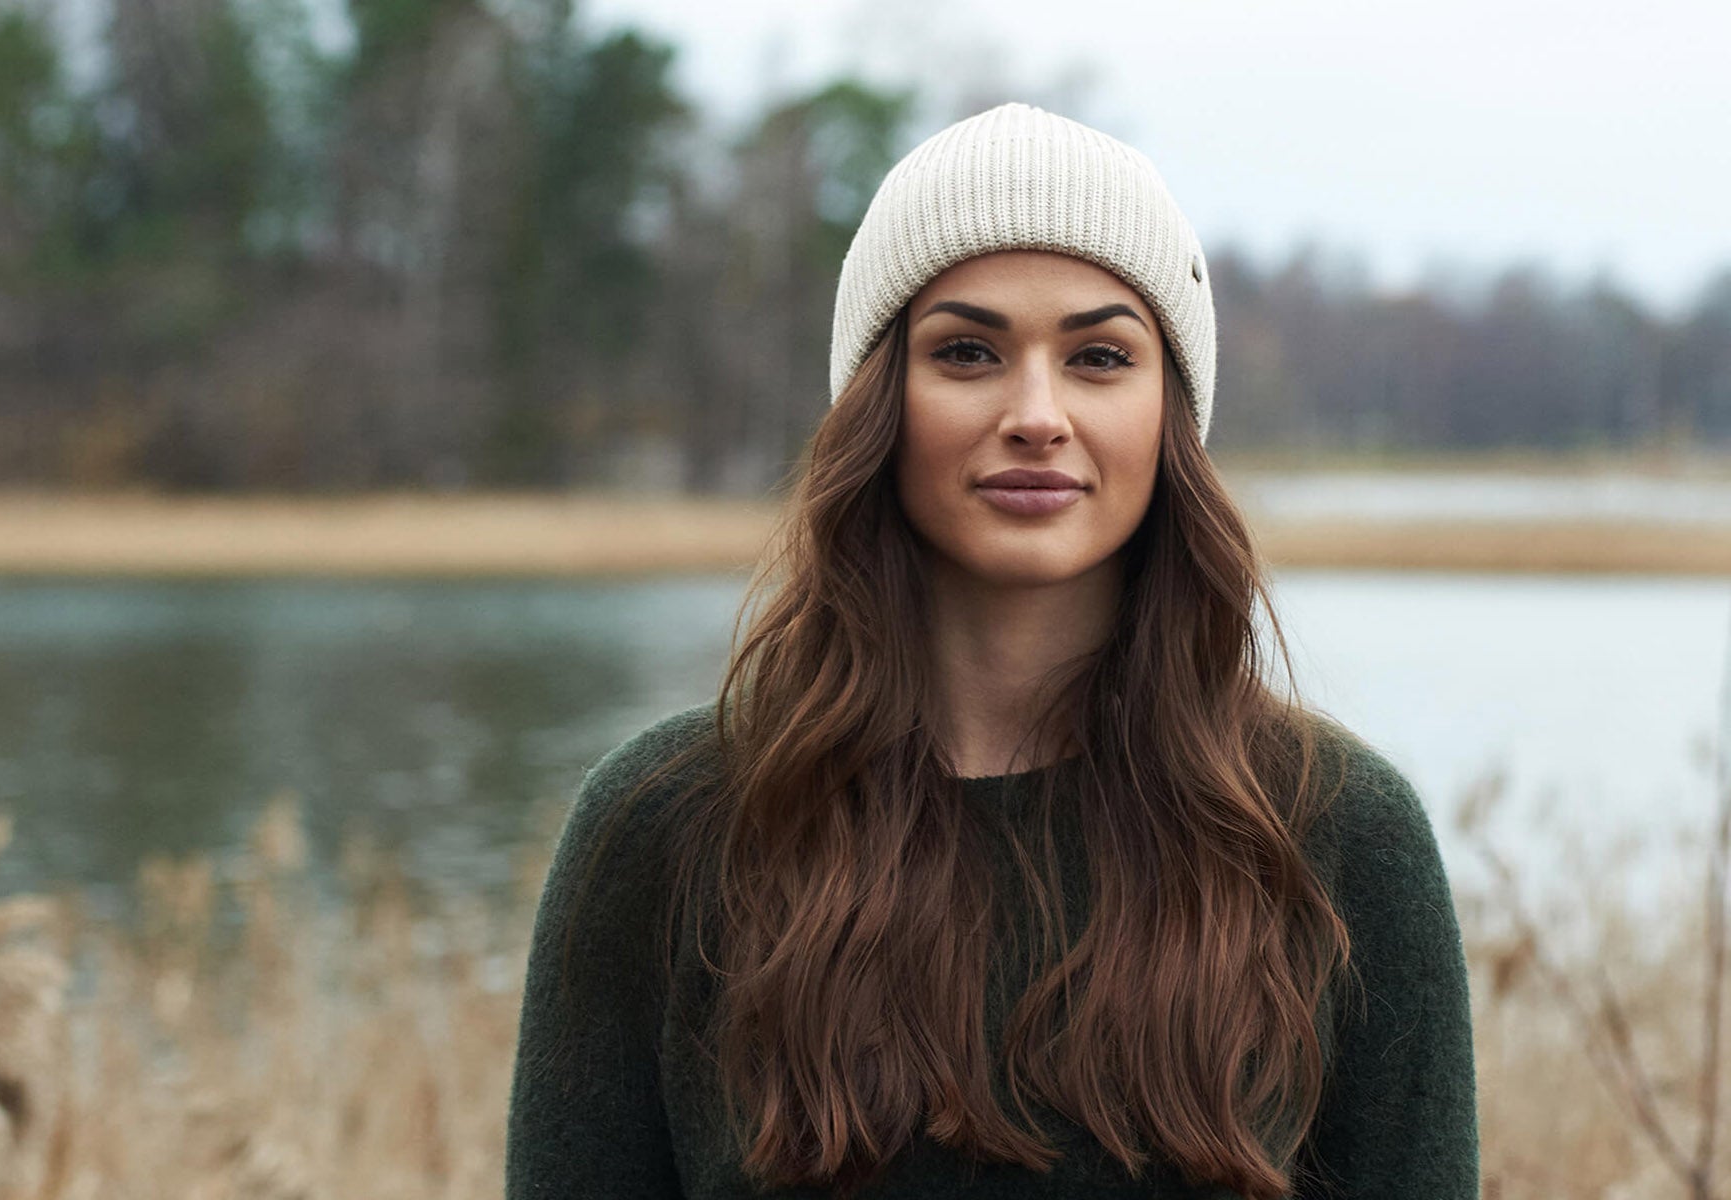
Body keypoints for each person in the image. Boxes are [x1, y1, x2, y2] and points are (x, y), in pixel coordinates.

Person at [505, 102, 1479, 1199]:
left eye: (1101, 356)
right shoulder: (667, 830)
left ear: (1171, 416)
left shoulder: (1335, 835)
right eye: (966, 352)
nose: (1036, 414)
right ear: (880, 401)